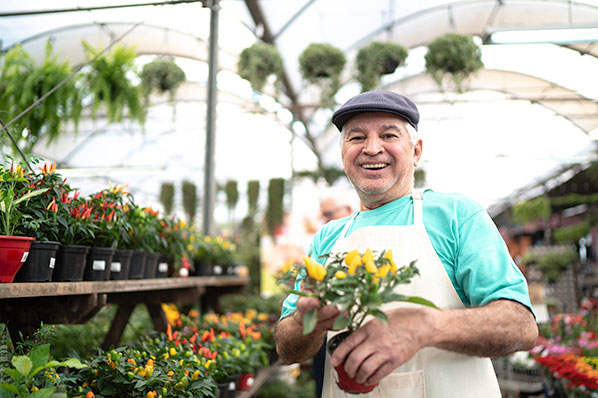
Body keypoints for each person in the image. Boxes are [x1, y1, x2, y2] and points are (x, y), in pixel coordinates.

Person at [274, 90, 538, 398]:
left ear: (415, 151)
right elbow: (286, 348)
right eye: (357, 138)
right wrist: (309, 322)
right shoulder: (328, 236)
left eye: (388, 135)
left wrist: (426, 326)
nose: (372, 149)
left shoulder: (454, 215)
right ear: (344, 154)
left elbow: (521, 326)